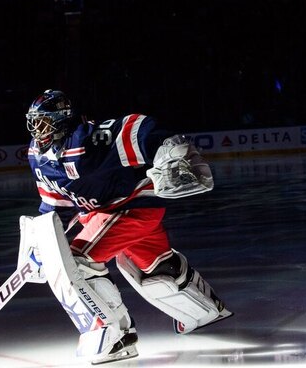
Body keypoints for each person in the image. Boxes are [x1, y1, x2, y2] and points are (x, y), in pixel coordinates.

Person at [23, 89, 232, 364]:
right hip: (117, 214)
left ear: (62, 120)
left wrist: (170, 151)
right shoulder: (38, 156)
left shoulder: (86, 141)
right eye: (35, 122)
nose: (38, 129)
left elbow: (138, 127)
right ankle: (204, 312)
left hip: (131, 206)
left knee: (74, 263)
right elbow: (55, 205)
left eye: (44, 122)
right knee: (157, 270)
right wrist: (42, 241)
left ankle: (115, 336)